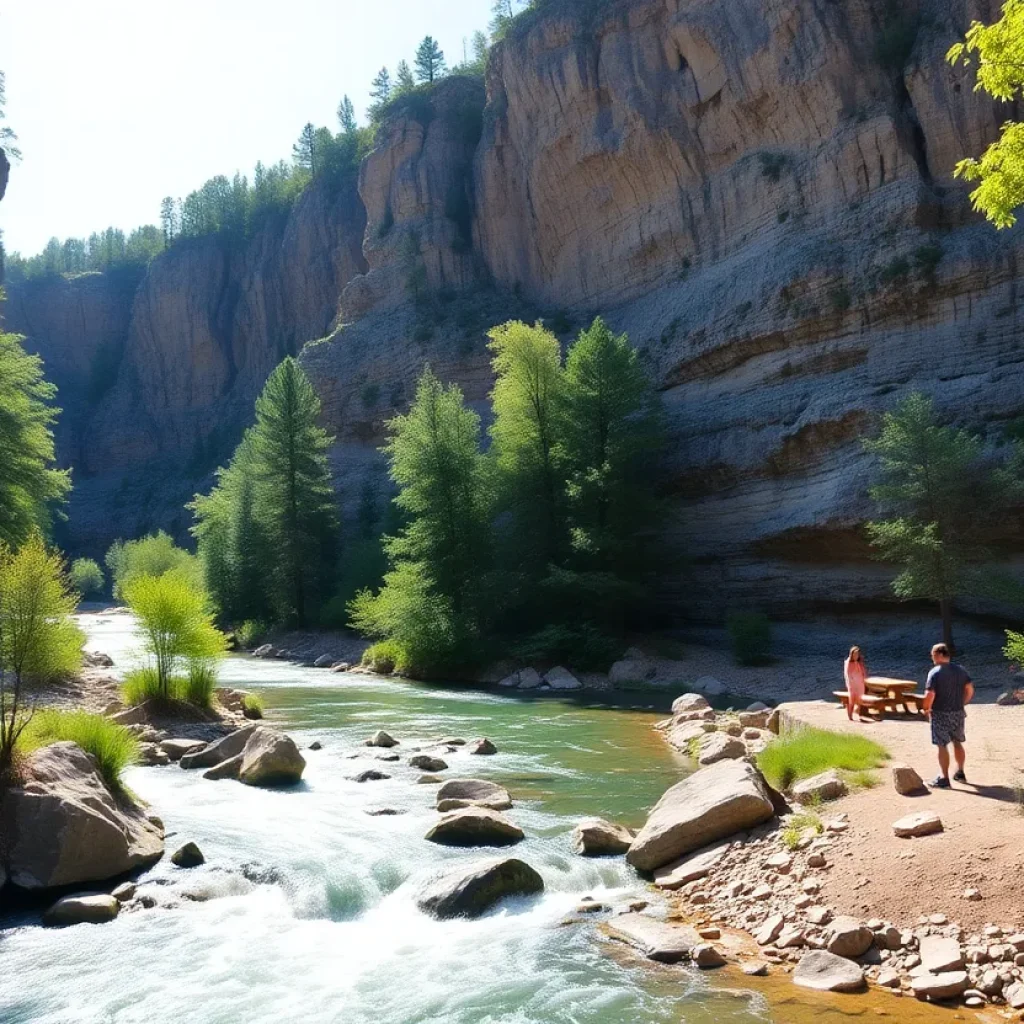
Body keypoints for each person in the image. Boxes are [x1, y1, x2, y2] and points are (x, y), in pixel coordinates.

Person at [922, 643, 974, 788]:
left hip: (940, 713)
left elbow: (929, 694)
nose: (932, 658)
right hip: (958, 712)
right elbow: (969, 689)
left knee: (942, 745)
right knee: (957, 742)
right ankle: (960, 772)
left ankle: (944, 778)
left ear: (938, 654)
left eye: (932, 655)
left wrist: (926, 709)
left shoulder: (935, 672)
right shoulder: (961, 671)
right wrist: (962, 703)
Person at [844, 645, 869, 721]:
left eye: (857, 654)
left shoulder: (859, 663)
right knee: (852, 699)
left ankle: (859, 714)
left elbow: (863, 672)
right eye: (854, 654)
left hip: (860, 683)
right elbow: (847, 674)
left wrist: (865, 679)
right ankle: (850, 715)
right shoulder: (848, 662)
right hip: (852, 684)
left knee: (860, 699)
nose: (856, 656)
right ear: (851, 654)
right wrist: (850, 682)